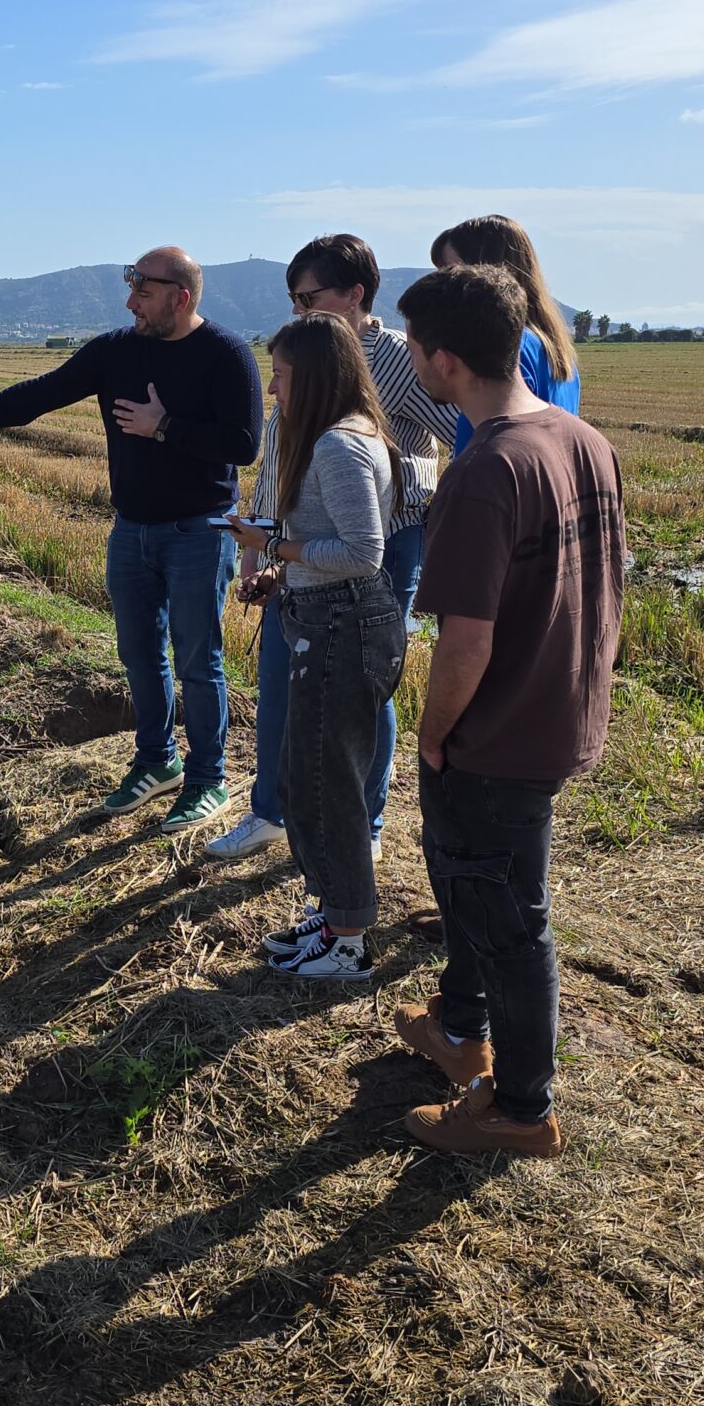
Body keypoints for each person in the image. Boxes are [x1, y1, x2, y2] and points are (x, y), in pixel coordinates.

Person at [0, 247, 263, 830]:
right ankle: (157, 761)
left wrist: (163, 427)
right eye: (132, 287)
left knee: (199, 660)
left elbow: (244, 445)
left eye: (143, 291)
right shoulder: (115, 350)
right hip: (131, 531)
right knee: (140, 655)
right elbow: (40, 394)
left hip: (200, 530)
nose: (131, 302)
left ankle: (207, 779)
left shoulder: (226, 354)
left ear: (180, 296)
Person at [390, 263, 626, 1159]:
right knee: (493, 900)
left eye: (413, 348)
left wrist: (435, 732)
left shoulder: (485, 471)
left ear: (443, 361)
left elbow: (466, 644)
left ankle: (520, 1108)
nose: (410, 360)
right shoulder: (579, 437)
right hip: (558, 715)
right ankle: (458, 1033)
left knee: (509, 921)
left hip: (495, 739)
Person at [208, 234, 457, 865]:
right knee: (278, 679)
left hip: (381, 542)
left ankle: (364, 825)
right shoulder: (302, 356)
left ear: (355, 294)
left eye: (309, 296)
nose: (299, 310)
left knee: (363, 687)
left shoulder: (396, 358)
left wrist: (406, 483)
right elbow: (275, 466)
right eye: (293, 298)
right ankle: (271, 810)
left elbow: (457, 430)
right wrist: (263, 555)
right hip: (298, 544)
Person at [222, 313, 404, 980]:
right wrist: (282, 573)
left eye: (281, 376)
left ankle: (349, 940)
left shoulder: (338, 446)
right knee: (306, 780)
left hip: (343, 627)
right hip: (323, 617)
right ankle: (329, 913)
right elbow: (334, 546)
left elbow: (361, 554)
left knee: (329, 789)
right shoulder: (339, 438)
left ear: (317, 379)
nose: (273, 391)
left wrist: (271, 546)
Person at [430, 215, 581, 452]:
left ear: (488, 274)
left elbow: (490, 455)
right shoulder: (555, 350)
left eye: (451, 273)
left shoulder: (509, 348)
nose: (440, 287)